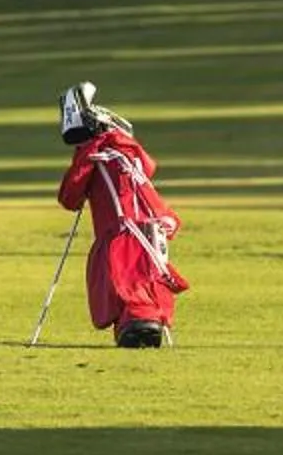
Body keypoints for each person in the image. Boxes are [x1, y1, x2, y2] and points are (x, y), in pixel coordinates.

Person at [55, 81, 187, 348]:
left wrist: (86, 154)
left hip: (122, 235)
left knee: (121, 278)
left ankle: (137, 322)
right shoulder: (126, 154)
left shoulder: (99, 155)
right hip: (146, 233)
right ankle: (144, 321)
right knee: (136, 280)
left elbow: (70, 198)